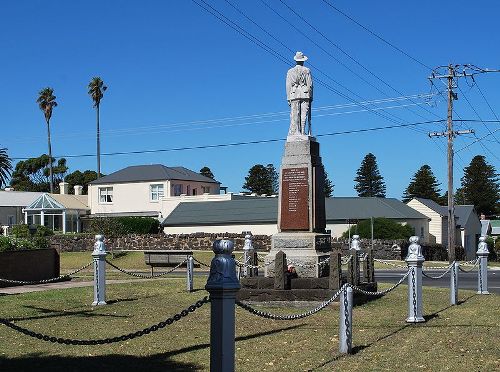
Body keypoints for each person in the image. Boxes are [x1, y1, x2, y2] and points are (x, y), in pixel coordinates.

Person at [286, 51, 313, 136]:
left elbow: (288, 85)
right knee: (304, 114)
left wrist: (288, 97)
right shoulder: (307, 70)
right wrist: (311, 96)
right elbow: (310, 85)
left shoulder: (290, 71)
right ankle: (302, 131)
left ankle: (297, 131)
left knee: (295, 114)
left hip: (294, 94)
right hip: (305, 93)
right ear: (303, 60)